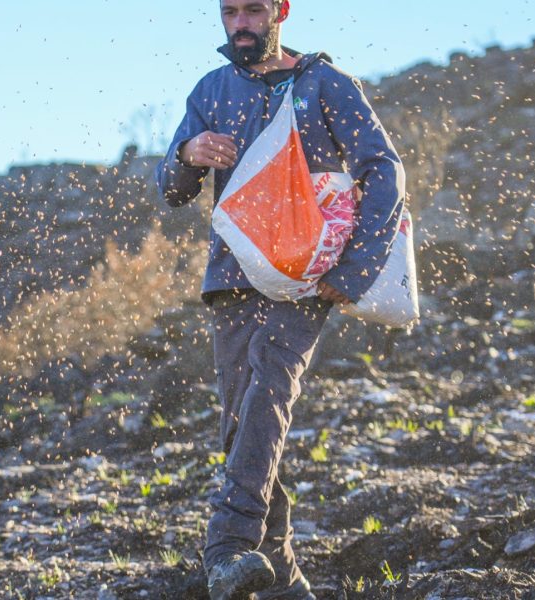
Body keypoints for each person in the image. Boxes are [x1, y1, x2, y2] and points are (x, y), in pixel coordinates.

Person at [156, 1, 406, 598]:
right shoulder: (210, 91)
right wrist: (188, 156)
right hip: (231, 276)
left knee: (270, 388)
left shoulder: (325, 82)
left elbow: (384, 170)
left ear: (281, 10)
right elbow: (170, 188)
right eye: (229, 11)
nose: (239, 22)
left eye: (253, 10)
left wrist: (354, 270)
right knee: (244, 424)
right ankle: (286, 583)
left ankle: (224, 548)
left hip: (306, 277)